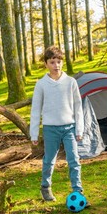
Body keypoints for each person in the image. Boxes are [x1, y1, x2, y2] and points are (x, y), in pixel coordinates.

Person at [30, 46, 86, 202]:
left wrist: (79, 129)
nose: (56, 65)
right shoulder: (41, 84)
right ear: (46, 64)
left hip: (69, 127)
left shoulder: (70, 82)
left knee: (74, 159)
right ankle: (45, 187)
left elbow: (78, 107)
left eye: (59, 62)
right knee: (49, 159)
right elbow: (35, 110)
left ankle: (77, 190)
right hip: (50, 129)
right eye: (52, 62)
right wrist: (34, 133)